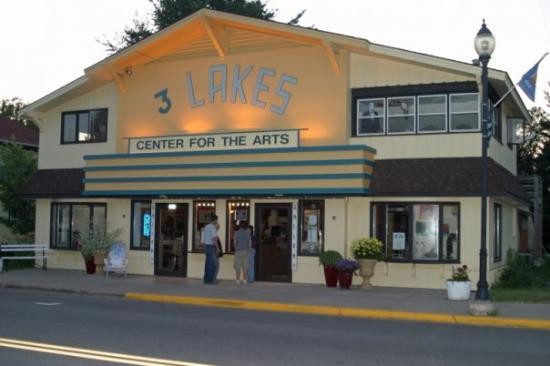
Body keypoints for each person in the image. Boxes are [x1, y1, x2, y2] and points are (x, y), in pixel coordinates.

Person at [202, 214, 219, 284]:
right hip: (211, 247)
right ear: (214, 220)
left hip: (206, 247)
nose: (217, 221)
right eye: (216, 220)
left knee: (208, 264)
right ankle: (211, 280)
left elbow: (203, 239)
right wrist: (218, 248)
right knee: (214, 265)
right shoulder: (212, 227)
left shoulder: (206, 227)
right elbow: (214, 238)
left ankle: (206, 279)